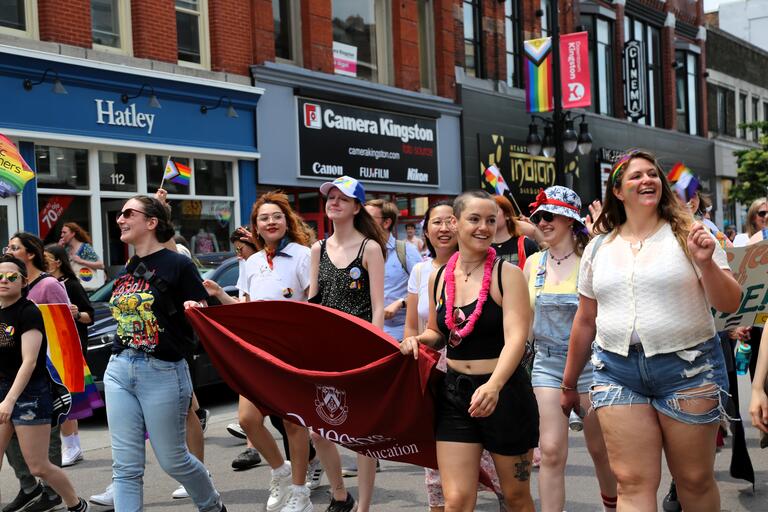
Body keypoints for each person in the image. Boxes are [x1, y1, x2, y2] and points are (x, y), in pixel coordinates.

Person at [561, 149, 741, 511]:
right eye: (636, 176)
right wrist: (568, 384)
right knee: (631, 482)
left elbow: (729, 303)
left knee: (694, 480)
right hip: (616, 372)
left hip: (688, 370)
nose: (647, 180)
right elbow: (585, 319)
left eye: (653, 174)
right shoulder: (598, 247)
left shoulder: (691, 233)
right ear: (618, 190)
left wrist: (705, 264)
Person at [401, 189, 539, 511]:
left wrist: (494, 385)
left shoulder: (509, 275)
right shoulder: (439, 276)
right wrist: (416, 341)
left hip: (504, 393)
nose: (484, 227)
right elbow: (437, 332)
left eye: (491, 220)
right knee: (457, 499)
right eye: (474, 219)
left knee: (515, 497)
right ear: (456, 222)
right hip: (455, 394)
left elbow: (517, 339)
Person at [105, 195, 226, 512]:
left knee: (175, 461)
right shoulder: (130, 266)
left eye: (128, 213)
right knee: (126, 468)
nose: (120, 218)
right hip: (119, 368)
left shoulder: (179, 264)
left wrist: (194, 307)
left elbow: (200, 307)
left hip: (162, 371)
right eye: (120, 213)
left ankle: (212, 505)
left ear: (151, 222)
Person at [203, 192, 317, 512]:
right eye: (264, 218)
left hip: (292, 353)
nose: (271, 222)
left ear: (286, 221)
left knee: (294, 424)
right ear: (256, 226)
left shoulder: (303, 255)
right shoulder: (250, 262)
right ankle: (279, 471)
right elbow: (244, 308)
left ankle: (300, 492)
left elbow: (314, 307)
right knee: (248, 419)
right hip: (256, 353)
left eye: (276, 216)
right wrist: (216, 296)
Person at [522, 187, 617, 512]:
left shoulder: (592, 259)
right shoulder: (532, 263)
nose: (542, 222)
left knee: (600, 450)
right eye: (539, 217)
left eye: (550, 216)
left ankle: (613, 506)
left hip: (593, 367)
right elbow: (525, 323)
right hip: (547, 366)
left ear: (569, 220)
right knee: (549, 451)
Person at [309, 176, 386, 512]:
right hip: (324, 351)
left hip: (361, 351)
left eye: (343, 198)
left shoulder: (369, 248)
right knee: (318, 431)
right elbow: (313, 302)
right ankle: (340, 494)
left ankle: (364, 506)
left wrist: (373, 349)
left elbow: (379, 306)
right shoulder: (318, 249)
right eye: (331, 198)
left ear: (356, 207)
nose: (334, 203)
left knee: (361, 434)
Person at [0, 254, 89, 512]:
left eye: (11, 276)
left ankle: (76, 504)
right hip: (5, 391)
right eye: (0, 276)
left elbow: (29, 362)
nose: (4, 281)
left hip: (30, 395)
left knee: (38, 466)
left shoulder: (28, 312)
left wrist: (9, 400)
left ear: (24, 281)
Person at [43, 245, 101, 468]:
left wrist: (77, 313)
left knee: (67, 396)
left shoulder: (70, 284)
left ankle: (71, 446)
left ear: (58, 261)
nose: (43, 261)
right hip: (56, 346)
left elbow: (90, 315)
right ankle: (73, 445)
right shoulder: (47, 282)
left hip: (69, 346)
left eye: (47, 258)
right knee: (68, 397)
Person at [364, 199, 421, 341]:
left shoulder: (406, 250)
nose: (362, 222)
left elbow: (425, 289)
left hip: (400, 336)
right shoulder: (360, 252)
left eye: (368, 218)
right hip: (367, 331)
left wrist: (401, 303)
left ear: (386, 223)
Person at [492, 195, 538, 268]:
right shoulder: (482, 247)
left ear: (507, 215)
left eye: (494, 211)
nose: (490, 215)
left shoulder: (526, 244)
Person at [58, 223, 105, 291]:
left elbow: (101, 265)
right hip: (74, 288)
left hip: (87, 290)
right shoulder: (66, 249)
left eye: (64, 232)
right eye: (61, 232)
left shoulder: (85, 247)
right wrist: (59, 248)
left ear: (72, 234)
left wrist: (81, 261)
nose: (61, 235)